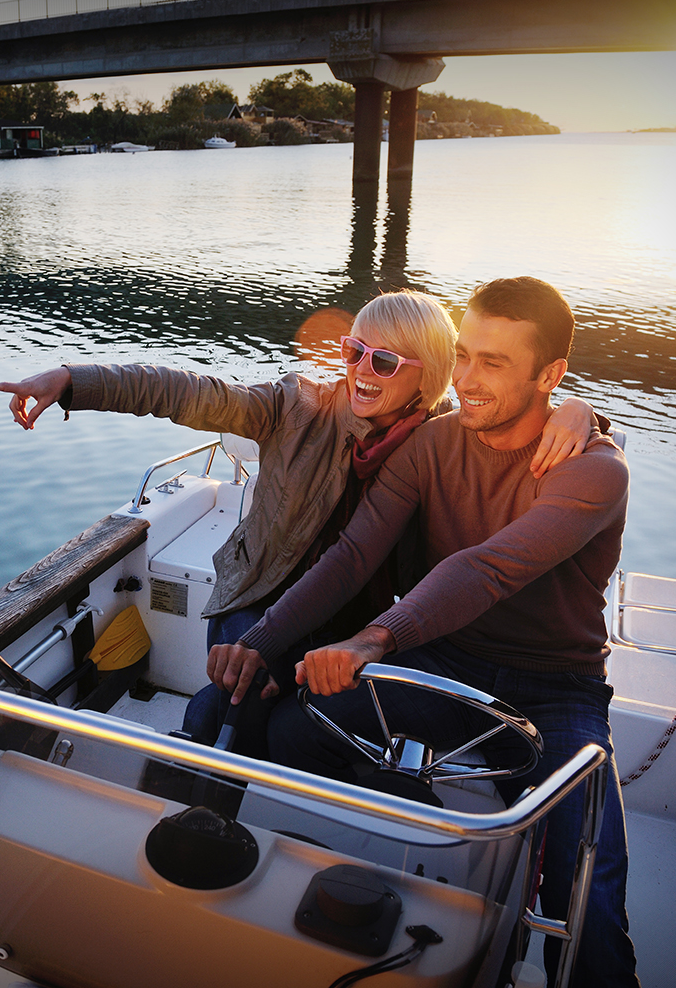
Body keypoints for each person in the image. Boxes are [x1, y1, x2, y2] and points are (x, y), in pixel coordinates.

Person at [220, 277, 636, 987]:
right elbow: (354, 556)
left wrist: (373, 640)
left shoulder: (594, 469)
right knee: (291, 727)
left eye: (494, 364)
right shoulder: (432, 444)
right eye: (464, 355)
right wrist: (261, 640)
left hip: (558, 687)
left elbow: (489, 570)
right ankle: (351, 882)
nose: (467, 381)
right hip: (450, 659)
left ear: (552, 377)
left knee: (586, 881)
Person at [0, 291, 602, 756]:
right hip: (263, 596)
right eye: (352, 350)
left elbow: (517, 413)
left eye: (384, 362)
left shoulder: (443, 437)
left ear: (430, 373)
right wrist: (70, 381)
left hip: (360, 620)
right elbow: (181, 391)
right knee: (241, 691)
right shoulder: (296, 407)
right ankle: (199, 786)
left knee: (304, 720)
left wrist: (582, 412)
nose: (359, 370)